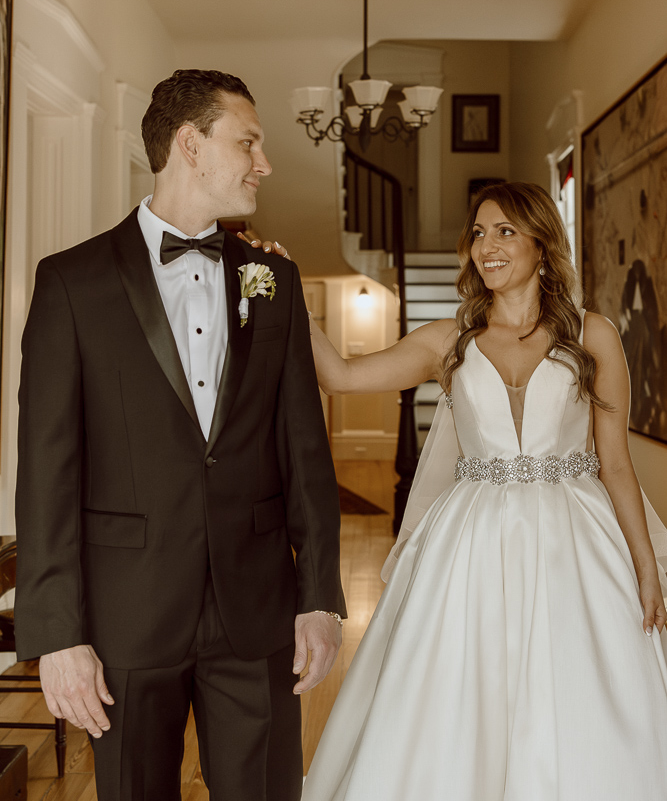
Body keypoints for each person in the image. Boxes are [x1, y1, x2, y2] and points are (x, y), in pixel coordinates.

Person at [14, 68, 346, 801]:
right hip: (123, 618)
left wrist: (319, 596)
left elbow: (303, 449)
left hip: (257, 612)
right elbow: (47, 469)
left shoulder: (274, 281)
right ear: (190, 145)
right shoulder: (72, 283)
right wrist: (56, 634)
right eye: (249, 142)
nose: (264, 163)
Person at [298, 181, 667, 799]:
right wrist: (289, 296)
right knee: (465, 685)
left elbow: (617, 465)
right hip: (469, 541)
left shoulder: (592, 334)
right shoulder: (450, 341)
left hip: (575, 540)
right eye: (477, 233)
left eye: (504, 232)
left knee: (576, 684)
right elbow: (339, 375)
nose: (485, 247)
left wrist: (647, 567)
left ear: (543, 244)